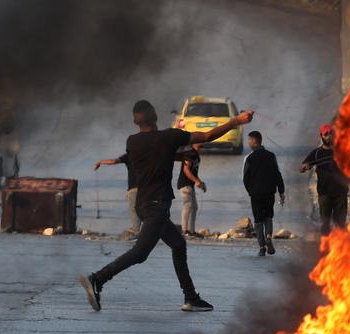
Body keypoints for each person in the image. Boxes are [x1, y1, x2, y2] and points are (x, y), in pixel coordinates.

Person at [79, 100, 254, 312]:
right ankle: (98, 278)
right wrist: (236, 120)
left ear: (135, 120)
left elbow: (158, 155)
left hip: (142, 205)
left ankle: (191, 297)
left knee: (178, 245)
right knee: (140, 253)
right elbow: (207, 137)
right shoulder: (170, 137)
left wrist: (178, 155)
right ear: (155, 115)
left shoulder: (132, 142)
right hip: (156, 206)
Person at [300, 124, 349, 235]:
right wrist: (305, 166)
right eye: (326, 134)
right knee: (325, 224)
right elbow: (302, 167)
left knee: (340, 224)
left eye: (331, 133)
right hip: (324, 194)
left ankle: (340, 247)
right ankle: (326, 246)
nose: (329, 136)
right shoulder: (316, 153)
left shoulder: (341, 151)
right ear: (321, 136)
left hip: (341, 193)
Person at [243, 131, 285, 256]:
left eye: (249, 140)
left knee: (258, 220)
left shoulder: (249, 158)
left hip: (255, 193)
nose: (248, 142)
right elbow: (277, 174)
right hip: (269, 192)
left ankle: (262, 247)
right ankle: (268, 236)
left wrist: (251, 191)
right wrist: (281, 191)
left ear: (254, 141)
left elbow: (245, 177)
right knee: (268, 217)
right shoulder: (271, 156)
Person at [94, 154, 141, 235]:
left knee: (134, 209)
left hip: (134, 188)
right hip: (148, 188)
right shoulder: (148, 154)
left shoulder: (130, 155)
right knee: (145, 209)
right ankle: (146, 229)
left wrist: (100, 162)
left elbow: (113, 161)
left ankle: (136, 230)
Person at [177, 143, 205, 237]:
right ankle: (184, 230)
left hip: (190, 185)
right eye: (200, 141)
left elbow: (194, 172)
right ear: (195, 143)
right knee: (188, 205)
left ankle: (191, 230)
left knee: (194, 207)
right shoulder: (190, 154)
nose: (203, 142)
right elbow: (186, 170)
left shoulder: (196, 155)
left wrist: (200, 183)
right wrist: (197, 181)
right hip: (184, 184)